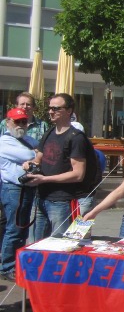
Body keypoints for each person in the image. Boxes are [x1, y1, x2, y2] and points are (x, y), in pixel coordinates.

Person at [22, 93, 97, 239]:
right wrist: (30, 165)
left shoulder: (76, 138)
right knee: (36, 244)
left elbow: (78, 174)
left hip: (62, 200)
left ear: (69, 111)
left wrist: (45, 179)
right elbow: (39, 158)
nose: (51, 111)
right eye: (50, 108)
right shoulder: (49, 132)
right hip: (42, 197)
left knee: (61, 245)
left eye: (56, 108)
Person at [0, 109, 38, 281]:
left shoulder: (27, 140)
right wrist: (36, 156)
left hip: (27, 188)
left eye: (24, 121)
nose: (21, 125)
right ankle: (7, 266)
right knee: (14, 228)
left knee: (22, 229)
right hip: (13, 189)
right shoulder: (4, 141)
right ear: (8, 122)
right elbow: (30, 155)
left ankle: (15, 262)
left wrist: (36, 157)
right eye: (17, 122)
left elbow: (40, 153)